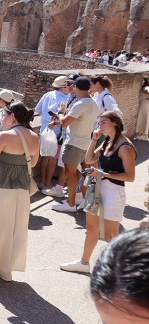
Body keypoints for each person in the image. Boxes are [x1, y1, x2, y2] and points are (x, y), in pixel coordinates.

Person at [60, 111, 137, 274]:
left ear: (115, 123)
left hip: (114, 192)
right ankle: (84, 262)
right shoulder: (107, 141)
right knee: (91, 229)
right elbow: (89, 160)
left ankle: (118, 270)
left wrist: (102, 174)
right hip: (98, 188)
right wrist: (94, 139)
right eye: (98, 122)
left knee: (111, 235)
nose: (99, 126)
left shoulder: (125, 147)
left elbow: (130, 177)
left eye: (103, 122)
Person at [0, 103, 40, 282]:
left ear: (12, 116)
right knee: (12, 227)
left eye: (3, 115)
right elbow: (33, 163)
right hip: (21, 188)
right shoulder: (35, 137)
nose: (1, 118)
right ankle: (5, 269)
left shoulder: (4, 136)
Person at [51, 77, 99, 213]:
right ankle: (84, 199)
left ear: (76, 87)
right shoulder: (93, 103)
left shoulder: (80, 104)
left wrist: (61, 112)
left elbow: (64, 123)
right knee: (83, 173)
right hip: (85, 142)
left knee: (70, 174)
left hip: (74, 143)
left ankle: (70, 204)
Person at [36, 76, 72, 191]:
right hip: (56, 132)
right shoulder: (65, 100)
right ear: (63, 87)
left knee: (44, 158)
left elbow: (38, 110)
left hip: (44, 130)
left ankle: (42, 181)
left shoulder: (47, 95)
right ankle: (47, 183)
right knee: (52, 159)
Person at [135, 77, 149, 141]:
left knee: (142, 118)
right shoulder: (147, 88)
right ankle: (143, 135)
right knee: (145, 119)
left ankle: (140, 134)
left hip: (143, 104)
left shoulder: (144, 87)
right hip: (146, 105)